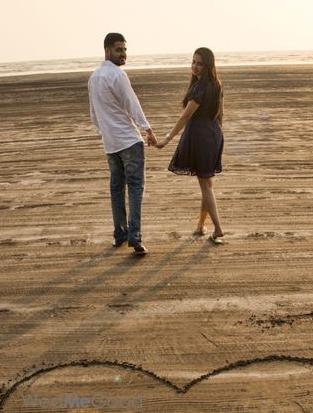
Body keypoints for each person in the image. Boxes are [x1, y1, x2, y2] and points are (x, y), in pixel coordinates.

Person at [88, 33, 157, 255]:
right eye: (119, 50)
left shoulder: (94, 77)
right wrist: (148, 130)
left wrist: (106, 133)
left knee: (117, 189)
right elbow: (132, 105)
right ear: (107, 50)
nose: (123, 54)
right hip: (129, 141)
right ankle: (134, 237)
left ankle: (120, 234)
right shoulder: (117, 75)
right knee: (135, 188)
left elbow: (94, 115)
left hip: (110, 144)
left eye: (125, 50)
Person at [156, 47, 225, 244]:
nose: (195, 66)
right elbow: (221, 114)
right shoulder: (217, 84)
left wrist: (167, 139)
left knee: (205, 185)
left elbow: (185, 116)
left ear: (208, 66)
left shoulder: (199, 88)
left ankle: (218, 229)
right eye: (194, 62)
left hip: (201, 137)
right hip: (214, 134)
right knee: (206, 183)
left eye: (200, 63)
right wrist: (217, 136)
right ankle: (201, 226)